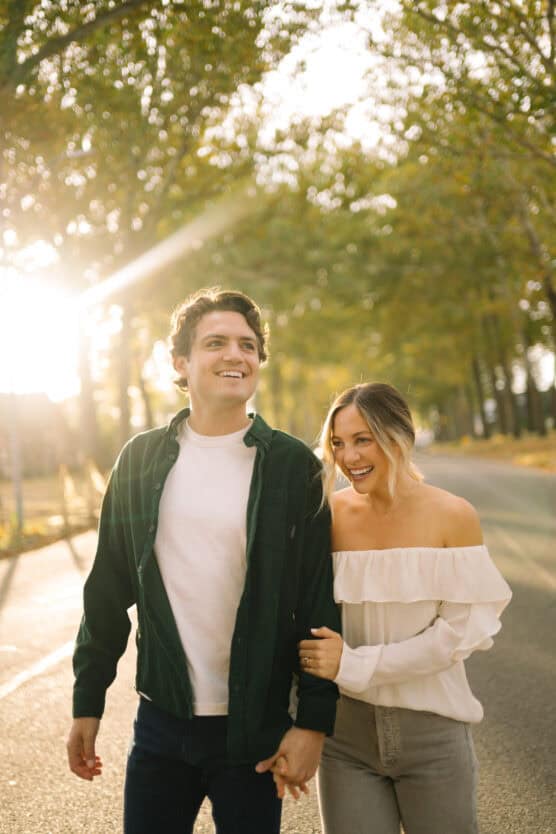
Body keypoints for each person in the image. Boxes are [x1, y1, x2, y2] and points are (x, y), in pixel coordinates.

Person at [66, 288, 340, 834]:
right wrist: (87, 702)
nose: (235, 355)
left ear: (259, 361)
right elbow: (107, 590)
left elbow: (318, 600)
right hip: (161, 727)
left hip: (256, 731)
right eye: (215, 343)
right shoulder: (140, 459)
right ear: (181, 363)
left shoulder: (292, 465)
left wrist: (312, 724)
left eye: (247, 345)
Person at [297, 382, 512, 834]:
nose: (349, 457)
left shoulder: (453, 515)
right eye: (338, 443)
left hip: (433, 735)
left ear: (401, 437)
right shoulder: (327, 516)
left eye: (363, 439)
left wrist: (353, 663)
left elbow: (455, 635)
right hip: (345, 740)